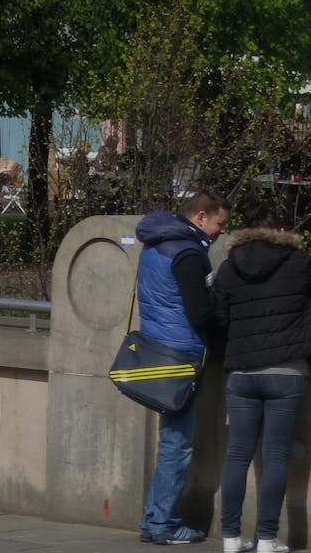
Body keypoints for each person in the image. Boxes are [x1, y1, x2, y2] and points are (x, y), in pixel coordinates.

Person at [211, 209, 311, 553]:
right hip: (287, 372)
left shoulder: (228, 267)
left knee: (237, 455)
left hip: (241, 372)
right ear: (280, 229)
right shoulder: (300, 263)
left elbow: (219, 317)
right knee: (276, 455)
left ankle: (229, 537)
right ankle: (267, 539)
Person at [134, 191, 230, 545]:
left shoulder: (156, 244)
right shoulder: (189, 254)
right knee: (177, 442)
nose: (222, 231)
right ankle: (161, 522)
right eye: (220, 223)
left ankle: (154, 518)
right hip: (181, 354)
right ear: (201, 217)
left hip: (157, 348)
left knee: (171, 438)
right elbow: (200, 313)